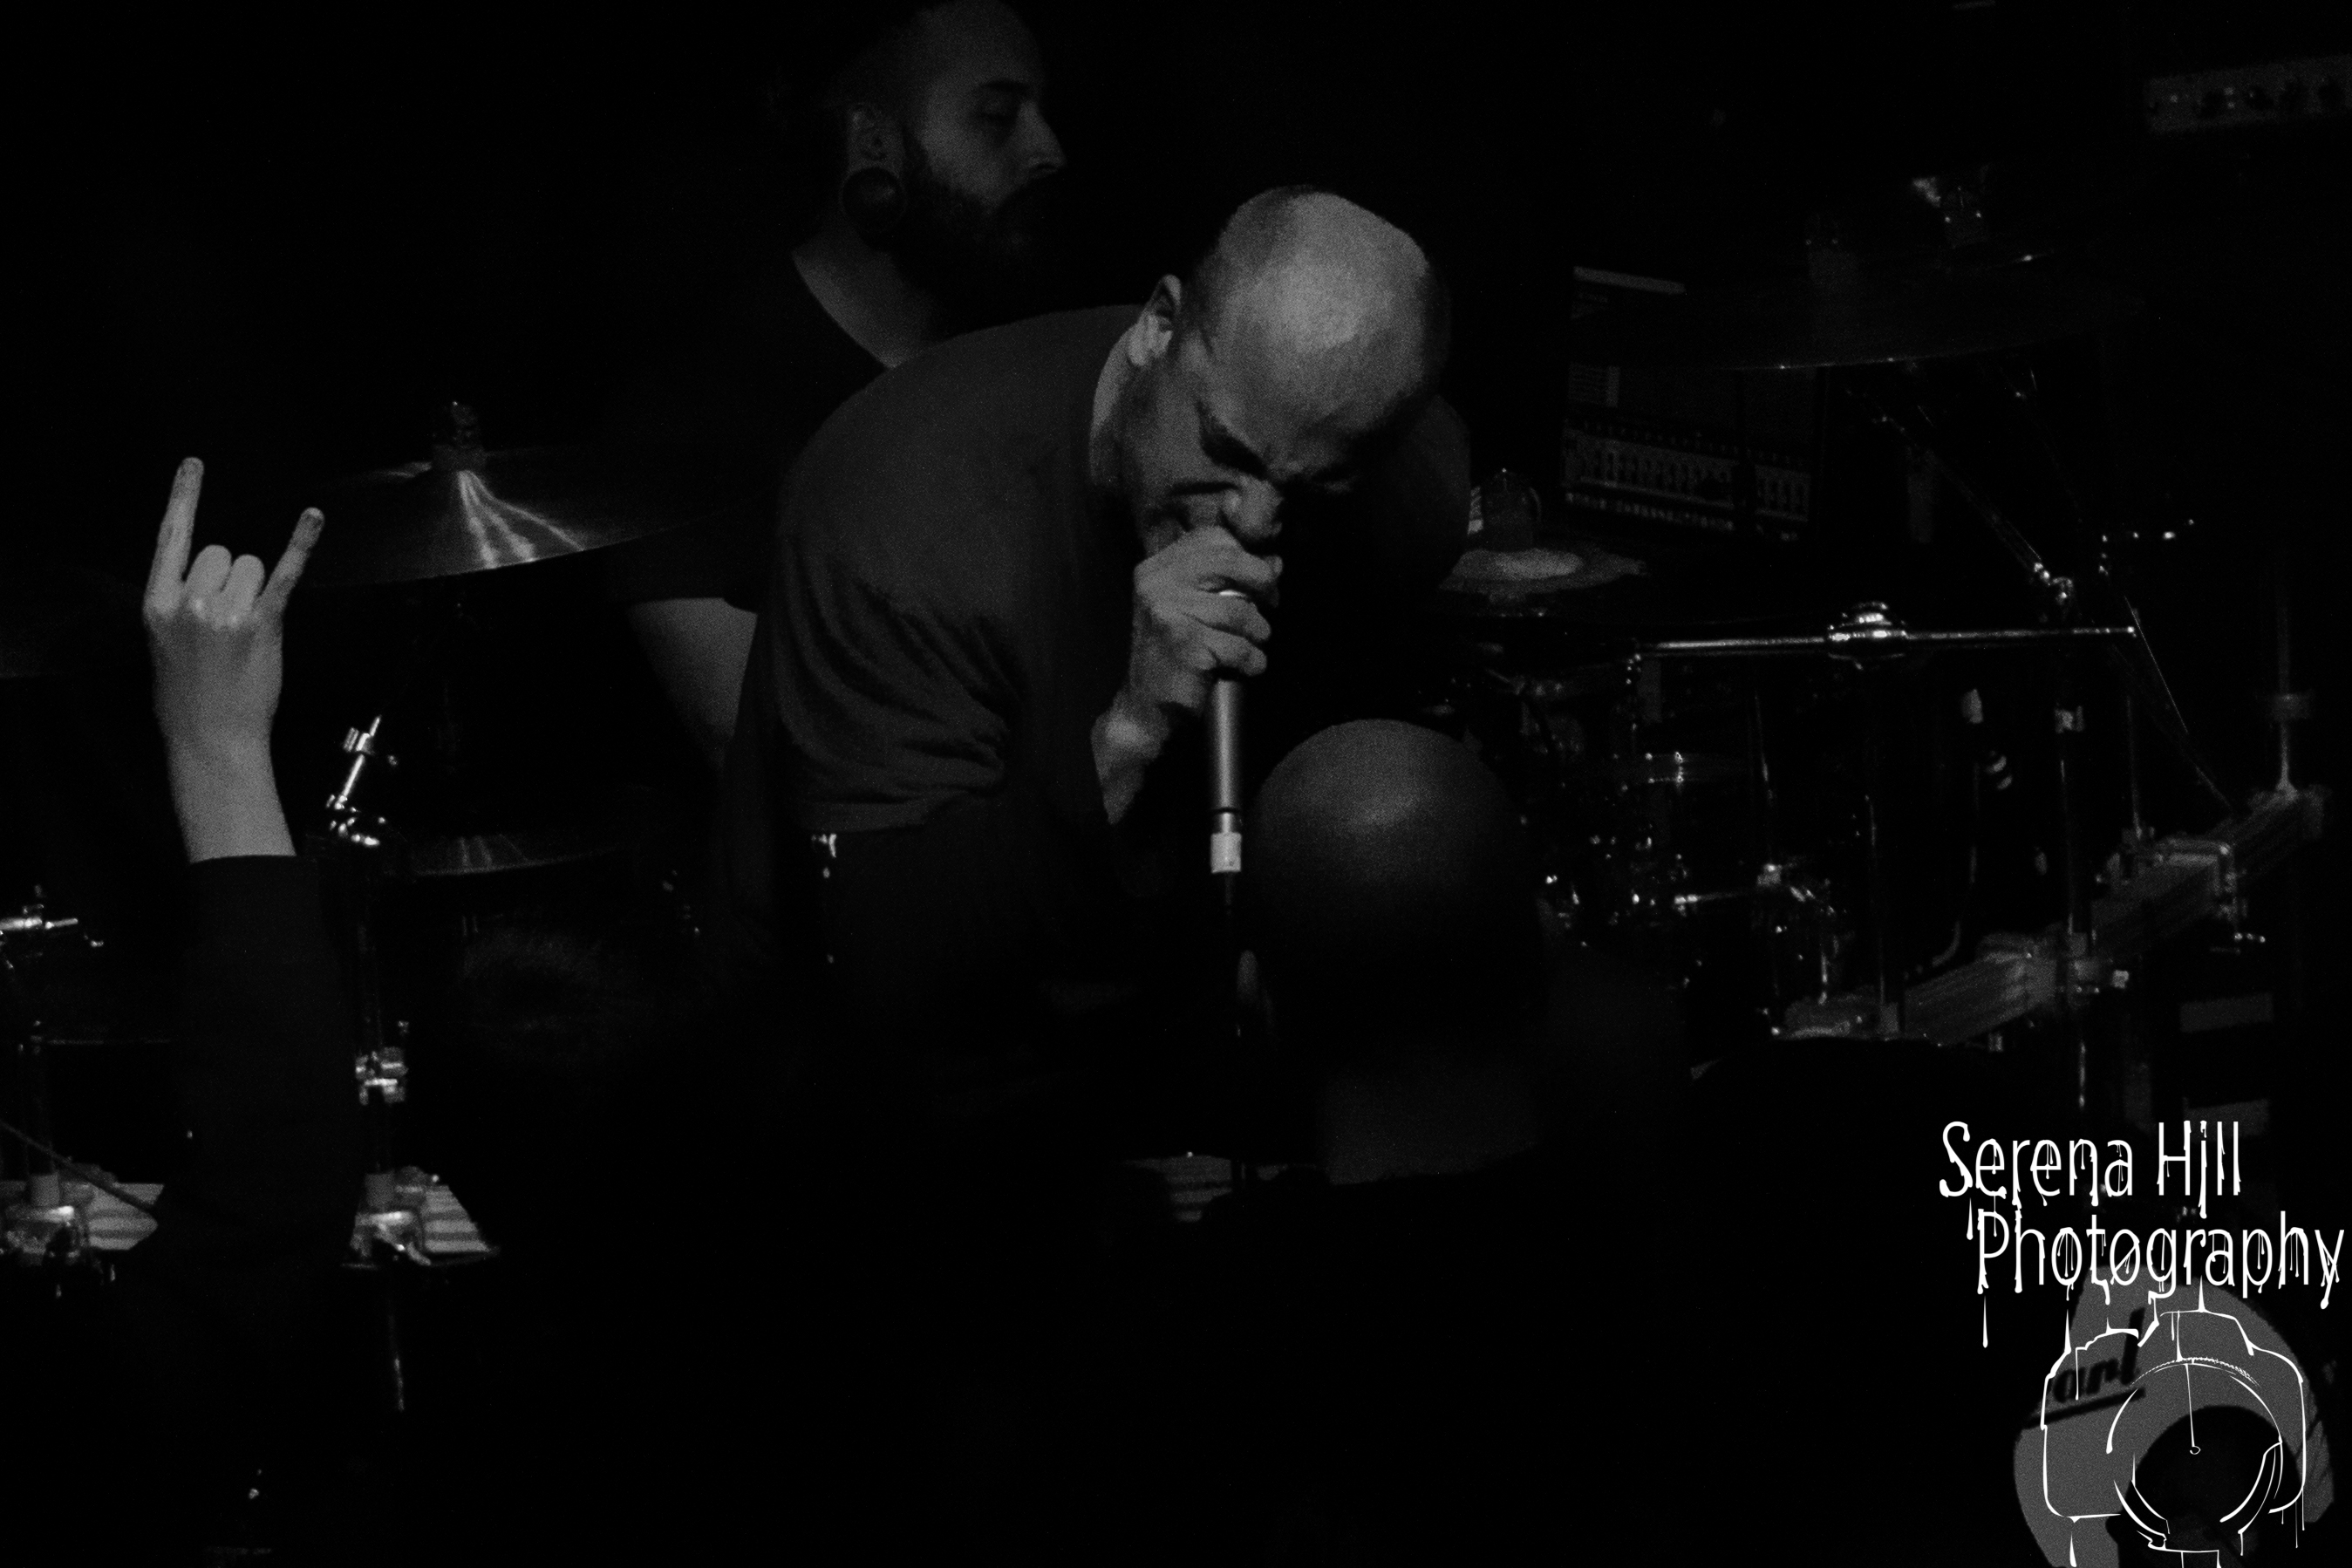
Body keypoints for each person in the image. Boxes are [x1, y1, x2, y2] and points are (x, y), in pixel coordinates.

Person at [719, 187, 1471, 1122]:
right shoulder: (898, 524)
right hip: (929, 1088)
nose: (1254, 521)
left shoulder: (1404, 492)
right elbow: (889, 969)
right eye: (1227, 450)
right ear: (1158, 326)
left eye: (1312, 489)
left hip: (1185, 1040)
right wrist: (1130, 734)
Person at [604, 0, 1068, 773]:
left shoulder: (1027, 370)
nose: (1047, 150)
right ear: (873, 139)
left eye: (1043, 113)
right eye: (996, 117)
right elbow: (747, 734)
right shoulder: (698, 401)